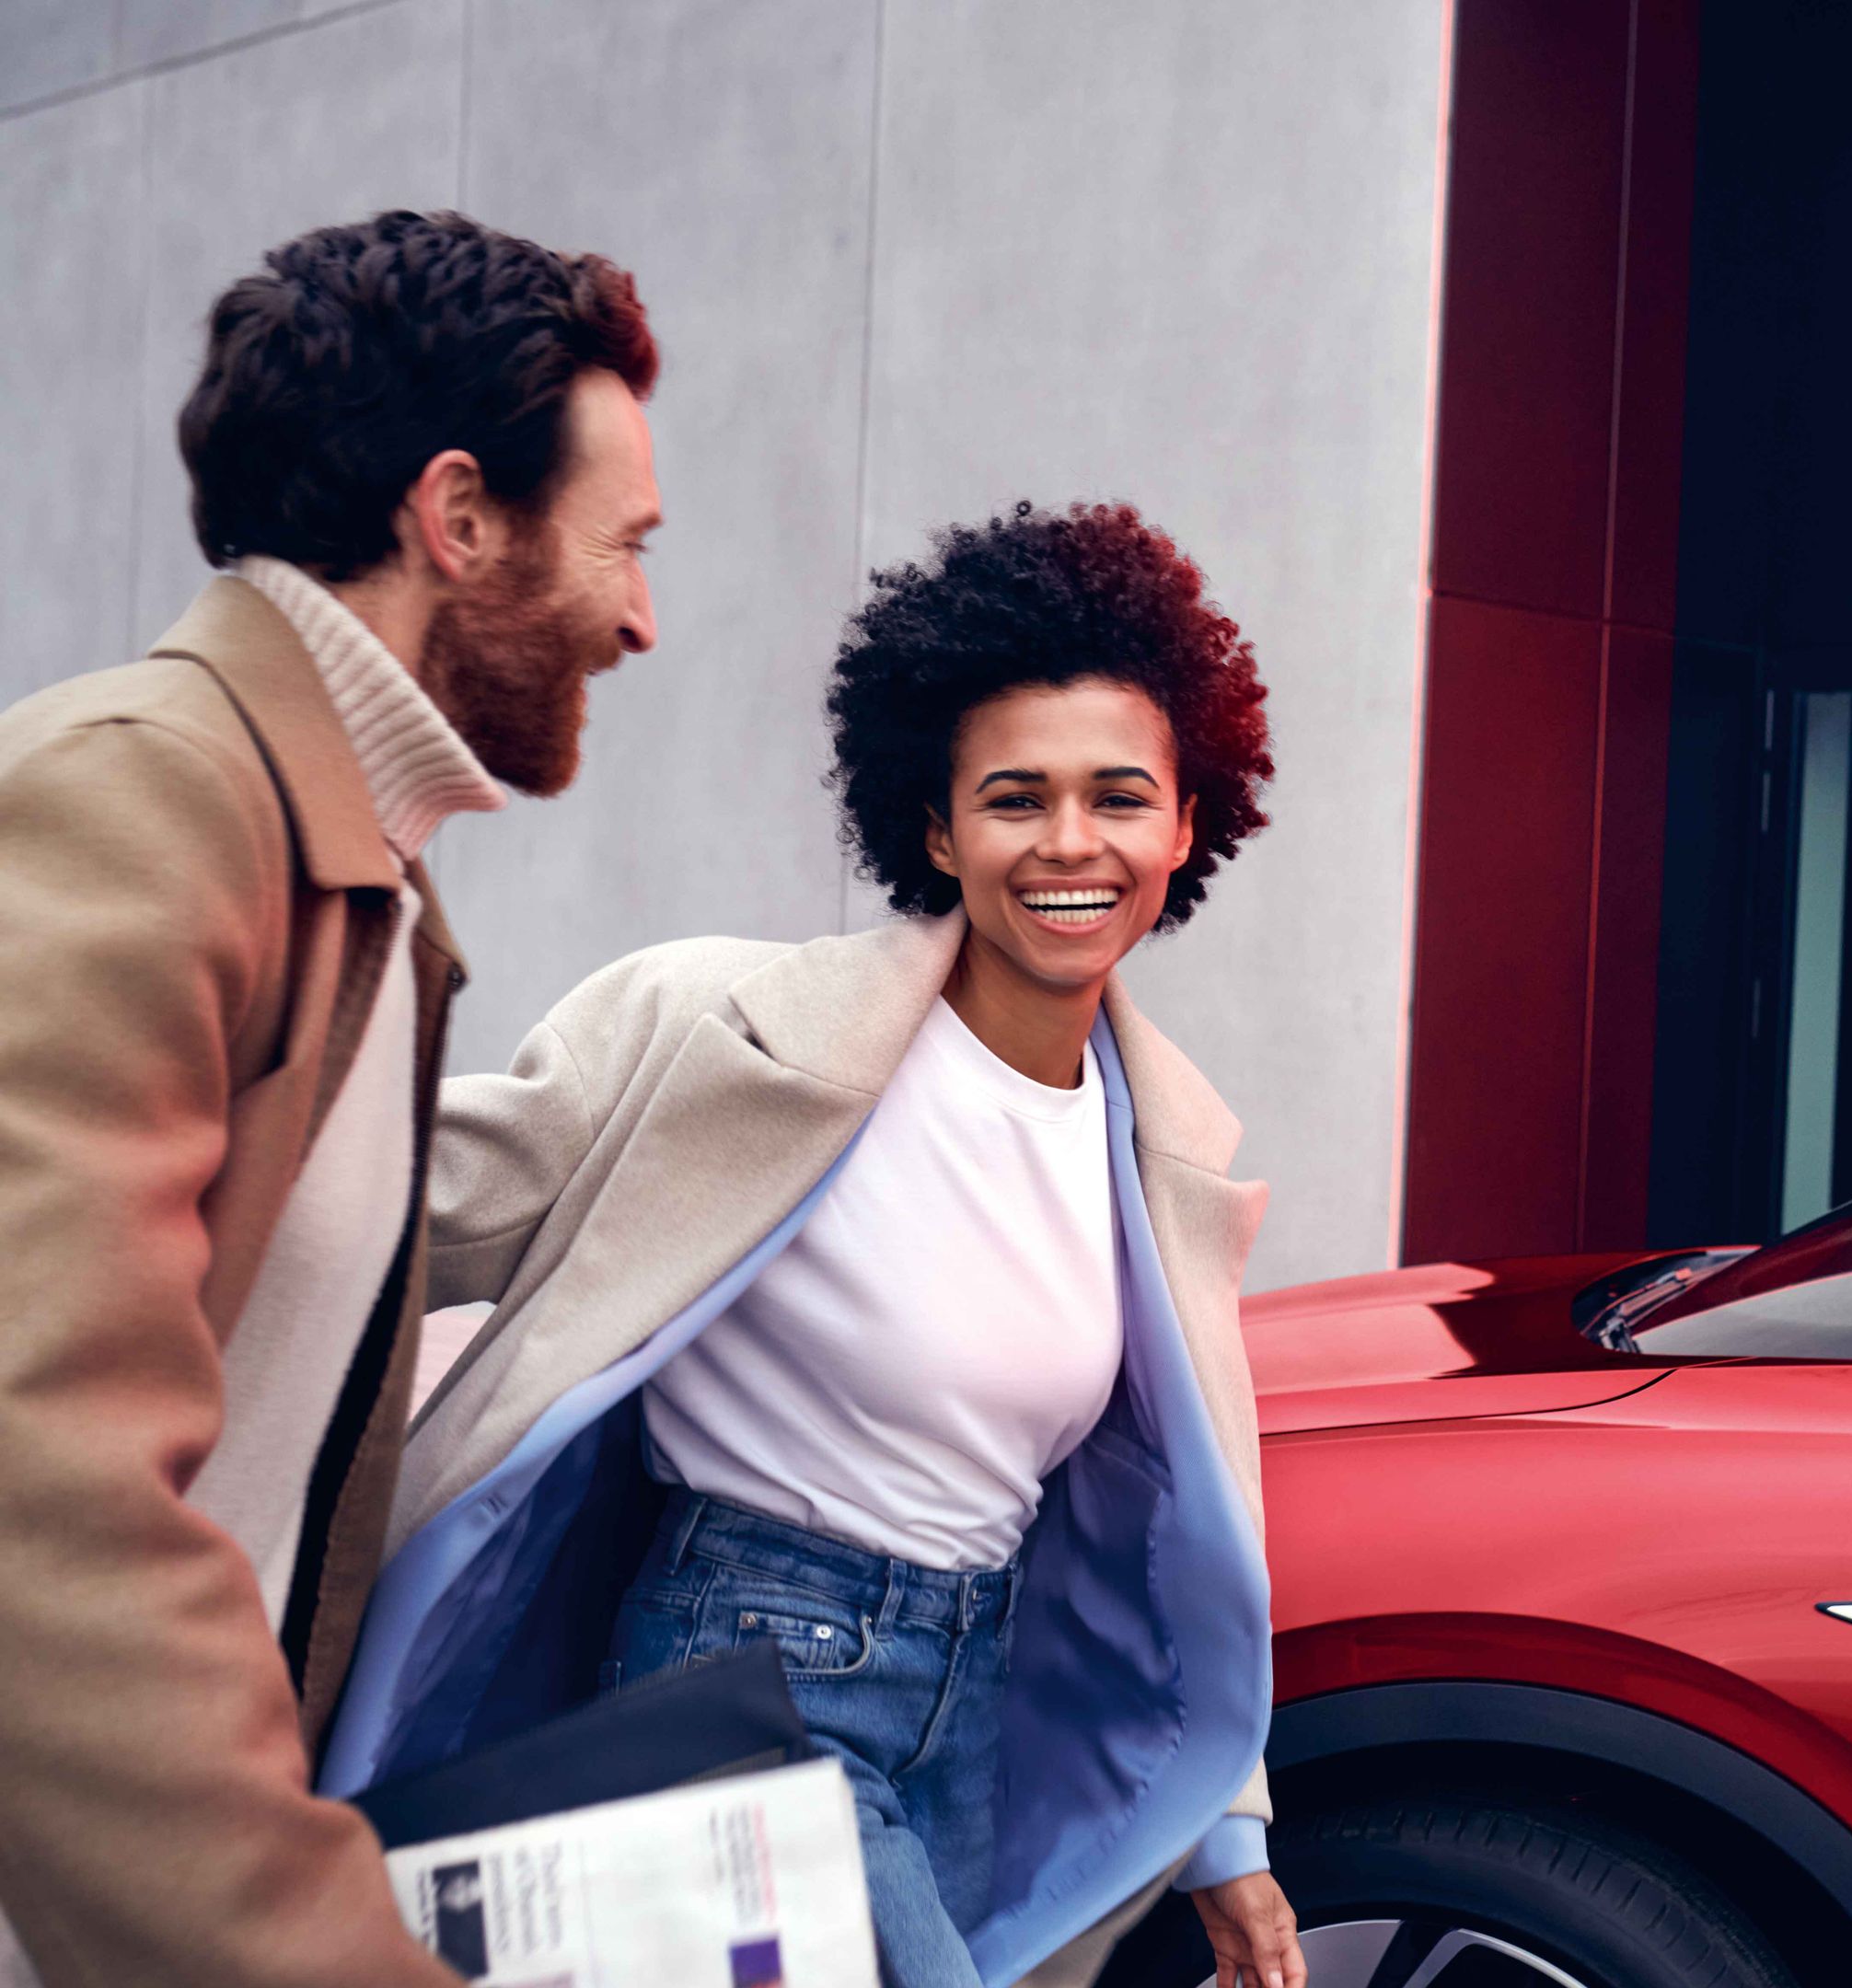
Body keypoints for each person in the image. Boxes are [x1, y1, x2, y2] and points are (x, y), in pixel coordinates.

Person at [332, 503, 1304, 1988]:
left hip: (966, 1705)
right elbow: (398, 1200)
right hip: (743, 1676)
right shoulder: (724, 1033)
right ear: (935, 825)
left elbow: (1195, 1517)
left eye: (1118, 797)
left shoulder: (1160, 1148)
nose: (1068, 843)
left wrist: (1229, 1838)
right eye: (1013, 797)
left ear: (1186, 824)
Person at [0, 209, 661, 1987]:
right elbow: (39, 1488)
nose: (642, 621)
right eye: (625, 546)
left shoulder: (362, 887)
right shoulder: (144, 801)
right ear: (456, 520)